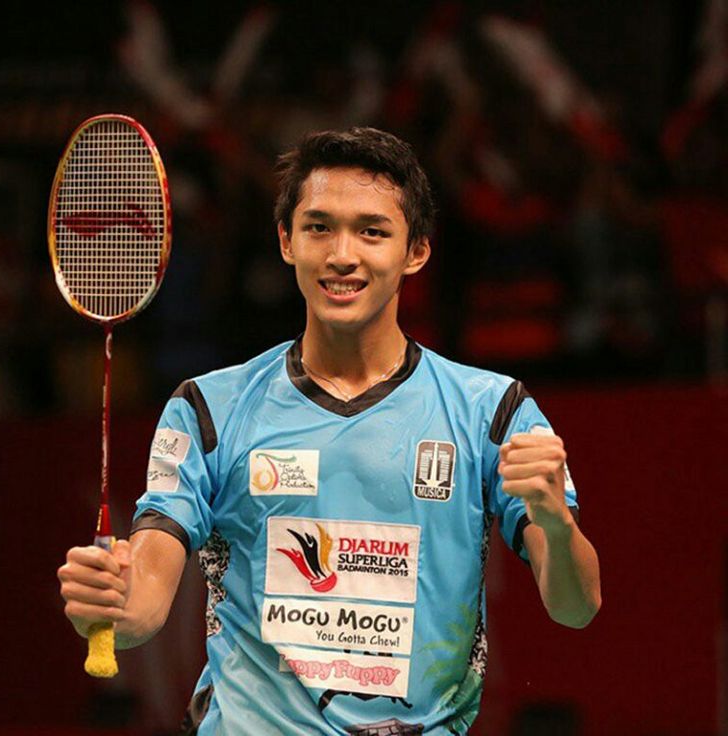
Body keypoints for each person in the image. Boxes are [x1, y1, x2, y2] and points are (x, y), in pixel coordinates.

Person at [58, 127, 601, 736]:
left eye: (372, 231)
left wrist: (556, 520)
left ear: (416, 250)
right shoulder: (209, 408)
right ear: (287, 241)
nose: (343, 254)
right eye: (319, 227)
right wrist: (110, 602)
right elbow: (145, 601)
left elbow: (577, 608)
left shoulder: (492, 412)